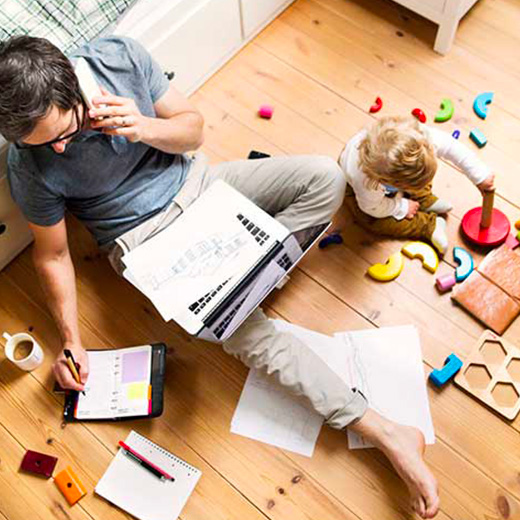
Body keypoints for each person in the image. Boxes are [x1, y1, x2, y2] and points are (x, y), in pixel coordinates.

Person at [0, 35, 439, 517]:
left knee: (325, 178)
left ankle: (241, 286)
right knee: (242, 332)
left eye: (65, 130)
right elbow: (54, 254)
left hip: (202, 186)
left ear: (72, 83)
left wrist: (143, 127)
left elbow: (193, 131)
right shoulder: (29, 163)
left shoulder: (117, 57)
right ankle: (383, 429)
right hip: (144, 242)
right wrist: (70, 339)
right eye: (44, 144)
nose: (60, 147)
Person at [339, 116, 495, 254]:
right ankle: (427, 226)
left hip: (394, 176)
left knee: (420, 173)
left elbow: (452, 147)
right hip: (362, 194)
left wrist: (479, 175)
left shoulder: (420, 138)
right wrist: (401, 207)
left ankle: (424, 198)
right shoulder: (367, 183)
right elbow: (372, 208)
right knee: (370, 220)